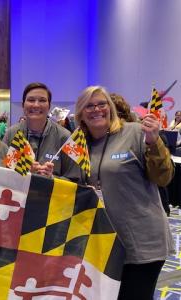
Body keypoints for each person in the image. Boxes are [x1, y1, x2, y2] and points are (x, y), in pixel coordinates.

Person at [75, 86, 174, 299]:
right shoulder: (81, 145)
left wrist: (155, 142)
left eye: (101, 104)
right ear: (81, 113)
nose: (96, 110)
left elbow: (163, 177)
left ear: (110, 107)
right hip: (106, 245)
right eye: (89, 106)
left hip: (143, 243)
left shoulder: (135, 132)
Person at [3, 82, 81, 181]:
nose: (36, 105)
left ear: (49, 106)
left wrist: (51, 179)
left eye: (42, 100)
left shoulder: (67, 137)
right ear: (23, 105)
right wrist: (23, 171)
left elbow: (76, 180)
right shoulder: (11, 134)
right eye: (31, 100)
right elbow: (1, 172)